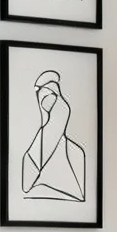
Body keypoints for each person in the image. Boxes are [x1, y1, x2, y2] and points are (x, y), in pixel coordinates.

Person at [21, 68, 85, 201]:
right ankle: (48, 95)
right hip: (42, 186)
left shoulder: (76, 153)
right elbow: (26, 184)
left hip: (56, 189)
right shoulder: (75, 153)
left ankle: (48, 95)